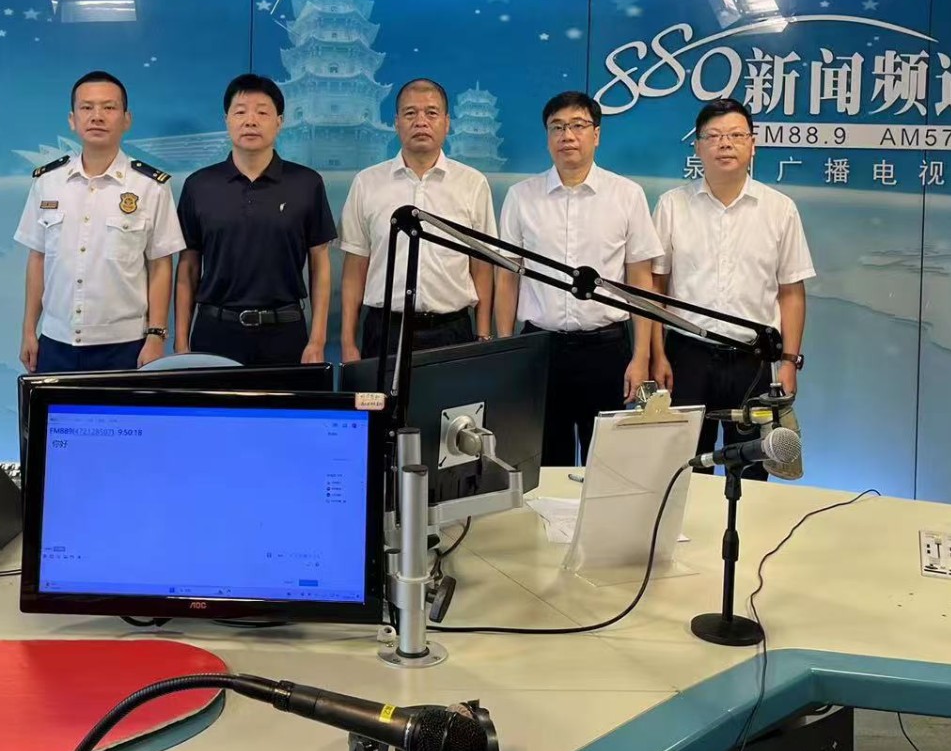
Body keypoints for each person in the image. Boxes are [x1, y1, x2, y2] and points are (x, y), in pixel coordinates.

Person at [495, 91, 663, 466]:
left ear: (596, 134)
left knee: (608, 467)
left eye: (577, 125)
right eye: (557, 127)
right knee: (543, 464)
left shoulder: (627, 195)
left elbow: (641, 282)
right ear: (547, 137)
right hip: (540, 349)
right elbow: (507, 278)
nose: (567, 136)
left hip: (606, 351)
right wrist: (505, 352)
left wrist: (641, 357)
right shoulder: (521, 197)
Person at [650, 98, 814, 479]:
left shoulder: (780, 209)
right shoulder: (672, 206)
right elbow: (656, 288)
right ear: (698, 147)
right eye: (714, 136)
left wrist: (789, 363)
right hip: (686, 358)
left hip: (752, 361)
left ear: (752, 144)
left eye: (736, 135)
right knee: (685, 468)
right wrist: (658, 355)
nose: (725, 144)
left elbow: (791, 292)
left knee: (753, 470)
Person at [16, 71, 184, 374]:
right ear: (72, 119)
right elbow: (38, 258)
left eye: (109, 107)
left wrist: (156, 336)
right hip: (56, 340)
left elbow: (160, 264)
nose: (97, 116)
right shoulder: (47, 183)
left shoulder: (151, 186)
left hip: (126, 345)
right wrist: (29, 330)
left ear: (126, 119)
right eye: (86, 107)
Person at [174, 74, 336, 367]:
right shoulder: (199, 185)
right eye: (240, 112)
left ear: (279, 121)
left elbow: (320, 264)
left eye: (262, 112)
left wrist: (317, 340)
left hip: (285, 333)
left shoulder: (306, 183)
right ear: (226, 120)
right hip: (215, 333)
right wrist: (181, 343)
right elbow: (188, 267)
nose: (250, 121)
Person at [340, 79, 495, 362]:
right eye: (410, 113)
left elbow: (482, 266)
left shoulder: (472, 183)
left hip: (451, 330)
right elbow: (355, 267)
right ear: (397, 123)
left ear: (447, 123)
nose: (421, 121)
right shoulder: (367, 183)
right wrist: (348, 342)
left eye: (431, 113)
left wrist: (483, 335)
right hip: (385, 330)